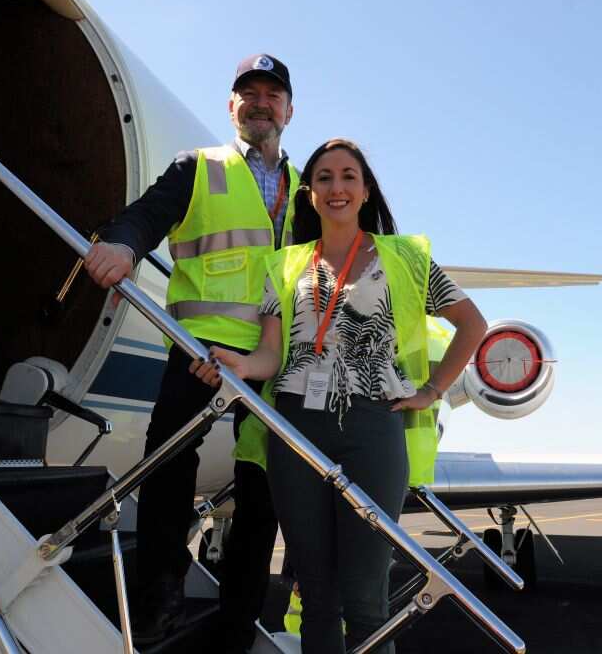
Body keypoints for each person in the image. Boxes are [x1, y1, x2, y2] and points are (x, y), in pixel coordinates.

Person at [190, 138, 487, 653]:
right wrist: (238, 364)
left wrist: (433, 389)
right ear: (310, 194)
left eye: (349, 176)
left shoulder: (406, 261)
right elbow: (270, 355)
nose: (337, 187)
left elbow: (471, 324)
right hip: (296, 430)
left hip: (374, 428)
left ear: (366, 189)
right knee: (318, 595)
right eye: (324, 177)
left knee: (366, 596)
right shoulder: (285, 264)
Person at [83, 54, 298, 653]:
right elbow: (147, 215)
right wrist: (123, 246)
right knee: (167, 464)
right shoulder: (199, 168)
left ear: (289, 109)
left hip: (274, 357)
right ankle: (160, 591)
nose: (260, 103)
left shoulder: (308, 187)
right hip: (199, 348)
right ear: (232, 107)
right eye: (248, 93)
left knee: (261, 487)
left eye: (272, 94)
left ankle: (240, 615)